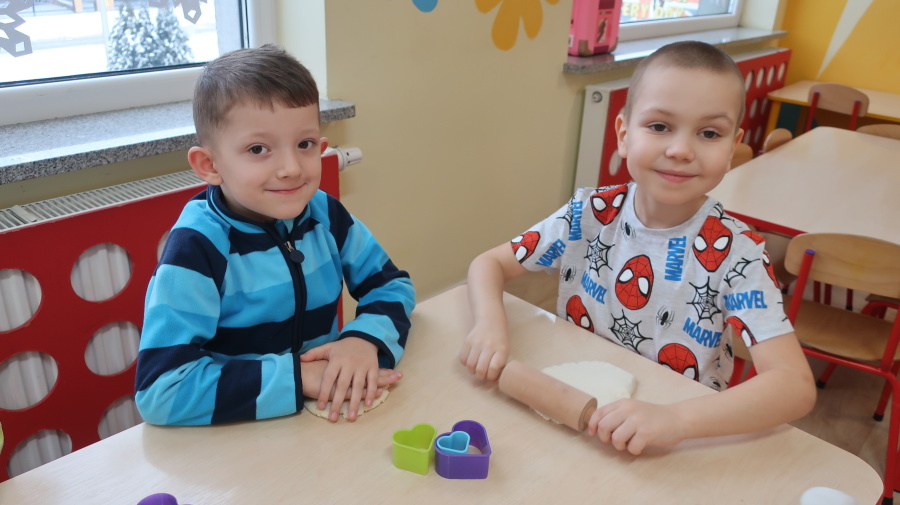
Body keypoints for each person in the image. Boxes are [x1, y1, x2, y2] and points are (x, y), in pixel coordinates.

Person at [459, 41, 815, 455]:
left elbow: (794, 387)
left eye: (709, 133)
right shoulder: (588, 213)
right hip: (574, 409)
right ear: (624, 135)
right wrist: (489, 324)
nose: (680, 150)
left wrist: (678, 420)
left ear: (732, 148)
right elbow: (489, 264)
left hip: (671, 436)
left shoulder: (738, 255)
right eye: (660, 126)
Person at [136, 45, 415, 426]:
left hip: (322, 420)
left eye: (304, 145)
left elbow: (392, 286)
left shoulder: (326, 214)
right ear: (210, 165)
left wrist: (363, 339)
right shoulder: (196, 248)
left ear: (321, 148)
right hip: (236, 434)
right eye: (258, 149)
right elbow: (161, 389)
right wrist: (301, 378)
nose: (290, 168)